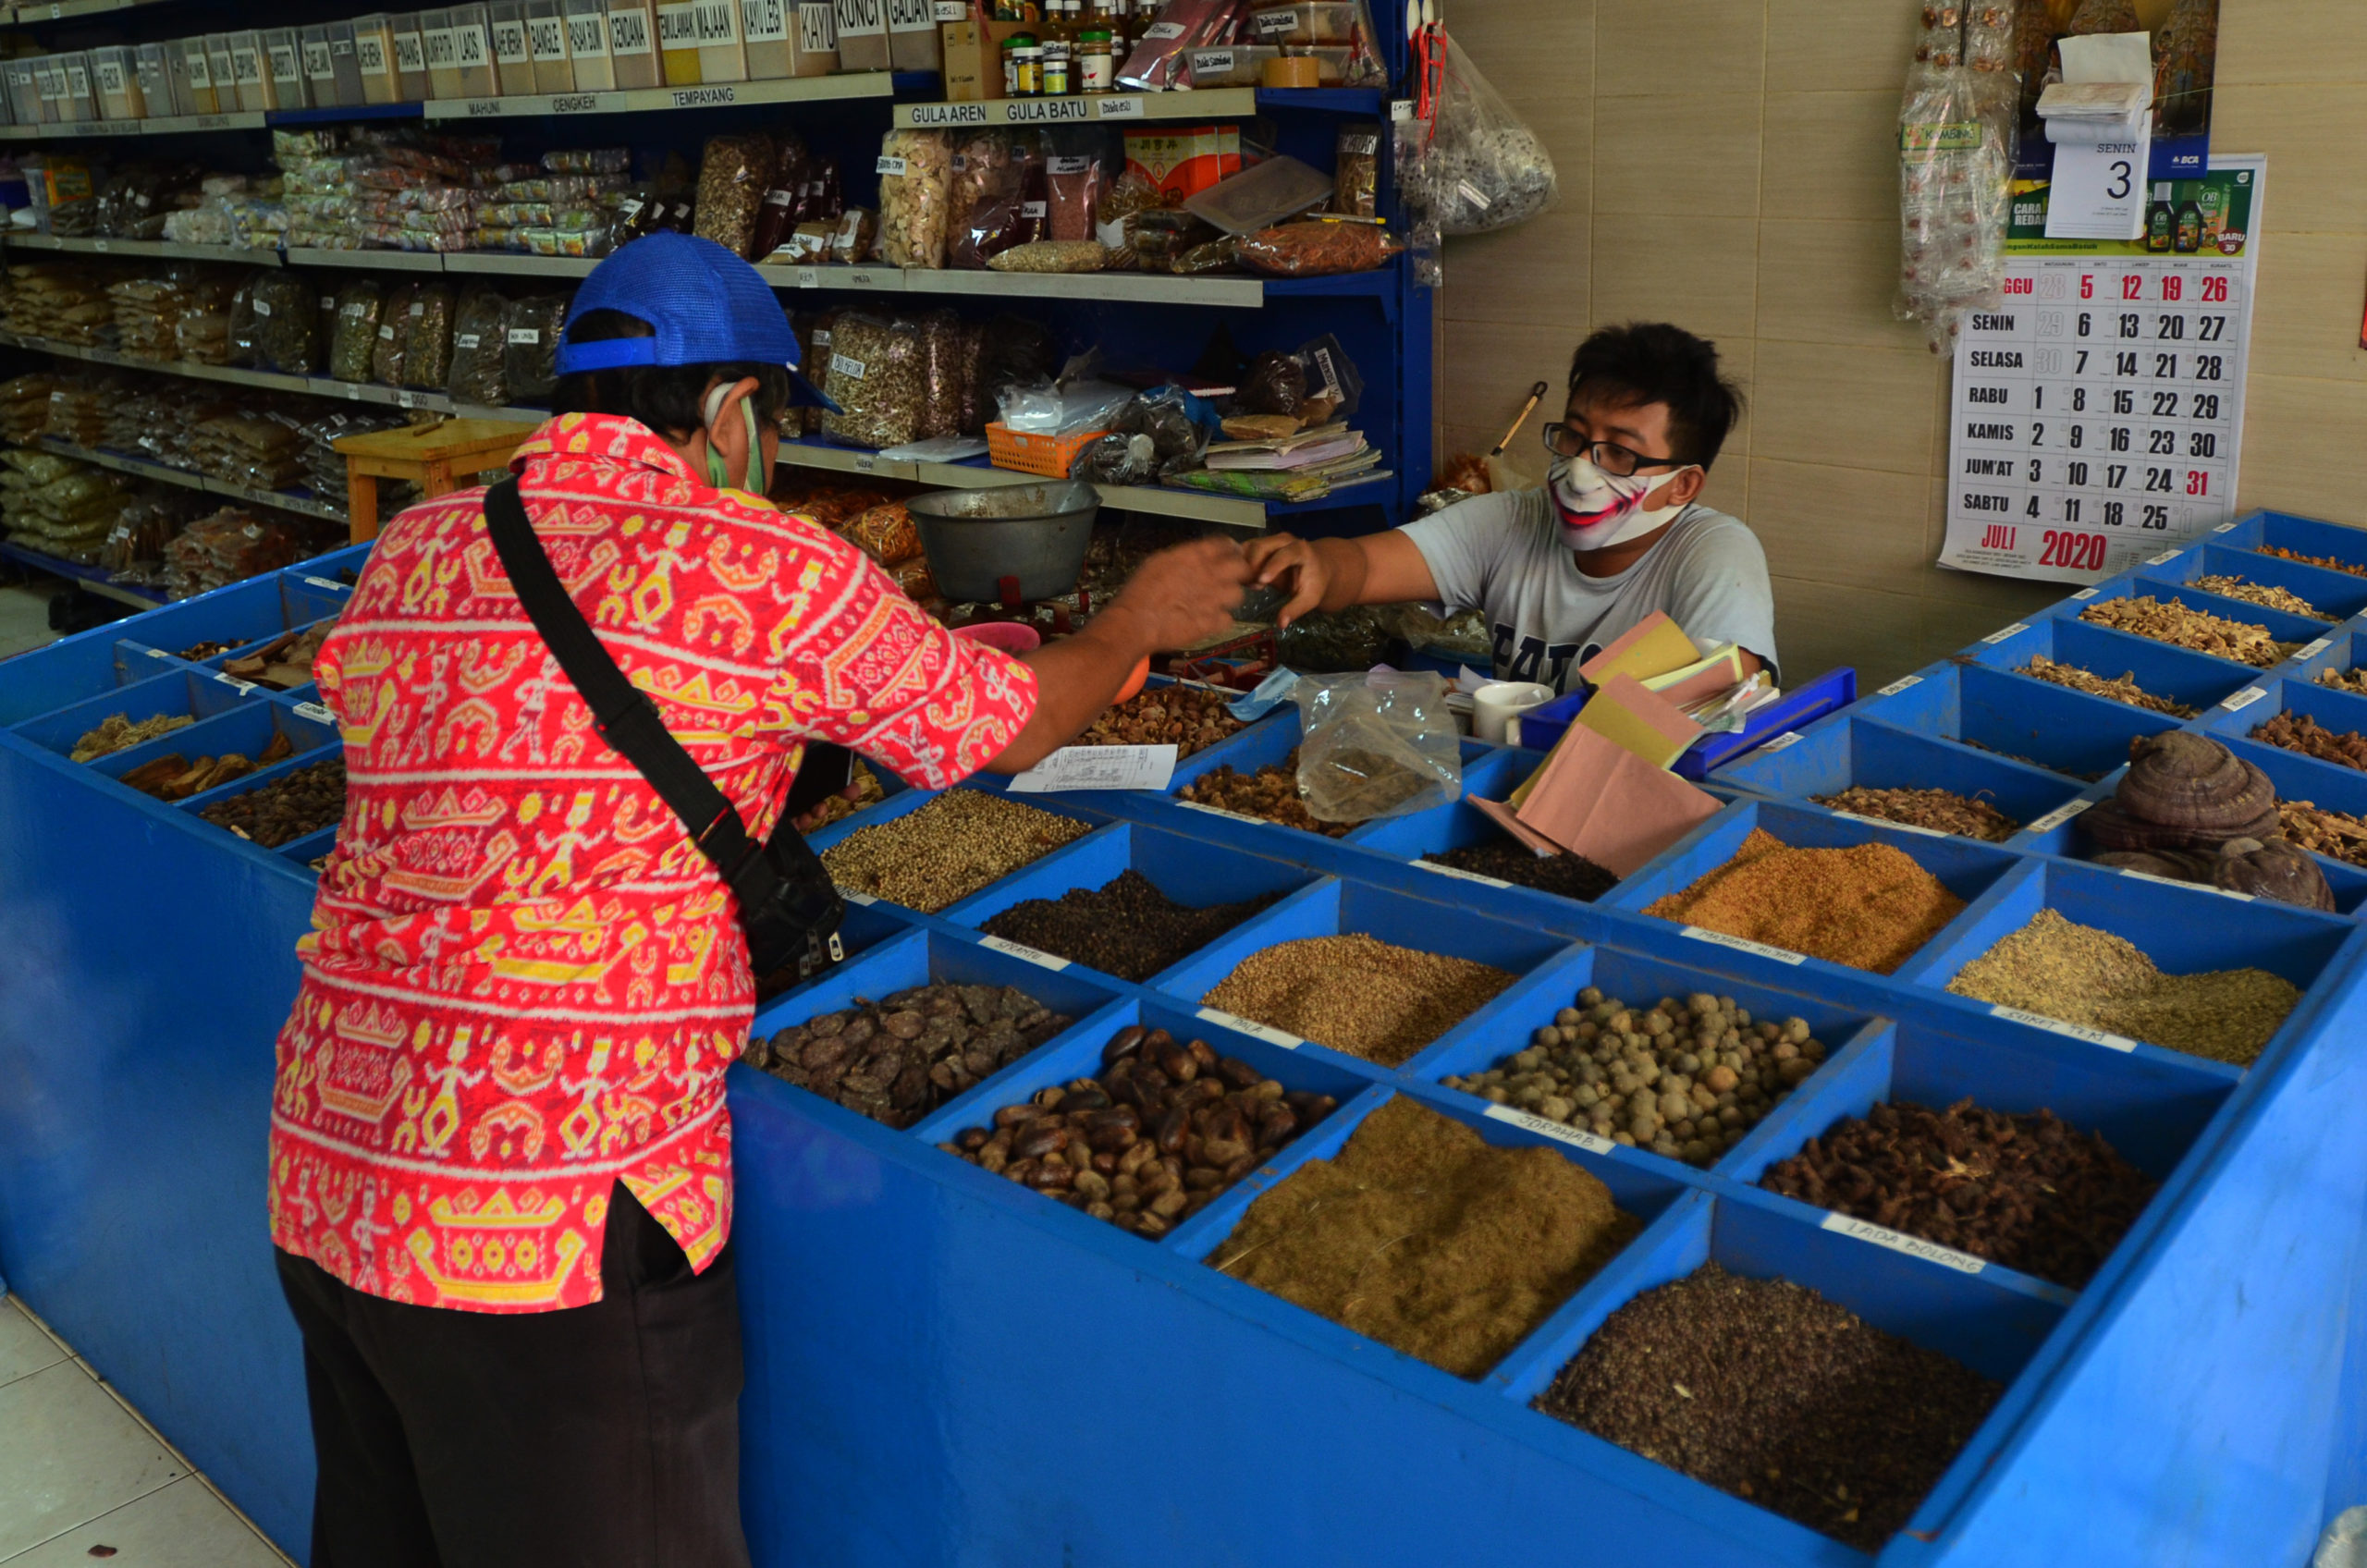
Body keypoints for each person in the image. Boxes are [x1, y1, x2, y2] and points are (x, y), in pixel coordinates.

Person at [264, 231, 1247, 1568]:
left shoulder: (416, 547)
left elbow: (538, 739)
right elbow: (1008, 728)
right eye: (775, 423)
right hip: (552, 1202)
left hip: (333, 1156)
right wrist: (1133, 622)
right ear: (733, 411)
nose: (771, 452)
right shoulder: (764, 560)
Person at [1245, 322, 1774, 694]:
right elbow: (1363, 566)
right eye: (1573, 437)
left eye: (1619, 452)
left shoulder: (1714, 552)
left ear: (1683, 485)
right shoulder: (1513, 521)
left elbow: (1725, 692)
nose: (1580, 470)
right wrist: (1318, 564)